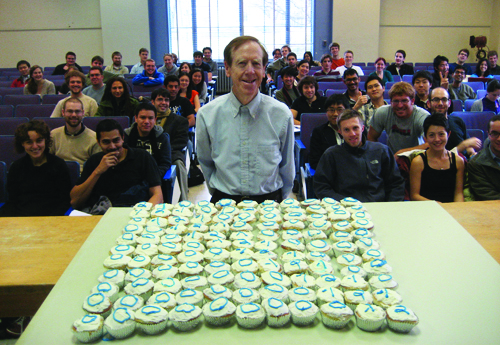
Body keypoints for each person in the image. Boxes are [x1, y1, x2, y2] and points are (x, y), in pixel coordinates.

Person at [196, 36, 295, 203]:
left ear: (264, 70)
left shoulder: (281, 114)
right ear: (227, 68)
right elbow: (206, 163)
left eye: (256, 64)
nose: (250, 71)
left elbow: (287, 168)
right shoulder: (207, 115)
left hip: (269, 204)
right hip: (224, 203)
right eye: (242, 63)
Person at [70, 119, 163, 213]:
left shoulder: (142, 157)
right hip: (101, 215)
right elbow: (75, 201)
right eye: (106, 142)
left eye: (116, 140)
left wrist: (142, 214)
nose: (112, 146)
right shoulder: (94, 161)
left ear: (122, 138)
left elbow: (157, 195)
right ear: (98, 142)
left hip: (135, 213)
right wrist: (97, 171)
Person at [313, 109, 404, 202]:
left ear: (362, 128)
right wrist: (345, 203)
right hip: (345, 208)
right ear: (340, 132)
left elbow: (396, 184)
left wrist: (390, 206)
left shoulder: (381, 151)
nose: (352, 134)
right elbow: (321, 187)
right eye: (346, 130)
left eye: (355, 128)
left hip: (378, 206)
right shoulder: (331, 155)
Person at [0, 120, 71, 217]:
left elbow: (65, 201)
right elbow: (13, 201)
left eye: (39, 141)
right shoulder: (16, 167)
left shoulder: (58, 165)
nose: (35, 146)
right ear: (22, 144)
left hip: (51, 219)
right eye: (29, 142)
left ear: (45, 140)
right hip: (21, 219)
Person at [409, 113, 465, 203]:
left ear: (448, 134)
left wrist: (457, 209)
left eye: (441, 134)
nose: (437, 139)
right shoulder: (418, 162)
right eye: (431, 135)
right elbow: (414, 195)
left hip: (451, 209)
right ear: (425, 138)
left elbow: (458, 193)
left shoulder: (458, 161)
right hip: (428, 208)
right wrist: (435, 205)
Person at [368, 82, 430, 155]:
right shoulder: (382, 112)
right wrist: (380, 155)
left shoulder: (422, 116)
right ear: (390, 102)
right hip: (392, 158)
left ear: (412, 101)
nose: (400, 105)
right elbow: (371, 137)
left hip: (416, 156)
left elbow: (430, 144)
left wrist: (401, 154)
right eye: (396, 101)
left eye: (404, 101)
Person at [153, 88, 189, 201]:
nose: (163, 103)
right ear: (152, 102)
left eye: (166, 100)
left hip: (171, 153)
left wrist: (163, 150)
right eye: (160, 100)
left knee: (178, 164)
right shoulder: (147, 118)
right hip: (148, 153)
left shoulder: (180, 121)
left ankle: (184, 201)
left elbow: (181, 142)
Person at [427, 87, 481, 157]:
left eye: (444, 99)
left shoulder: (457, 121)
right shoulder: (427, 125)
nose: (440, 103)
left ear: (449, 103)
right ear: (429, 103)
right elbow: (437, 156)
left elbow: (468, 145)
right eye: (436, 100)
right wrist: (463, 145)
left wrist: (472, 154)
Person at [50, 98, 101, 173]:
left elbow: (96, 169)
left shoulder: (94, 138)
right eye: (70, 111)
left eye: (77, 111)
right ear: (63, 112)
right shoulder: (53, 135)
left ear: (83, 113)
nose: (74, 115)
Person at [124, 102, 171, 178]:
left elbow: (165, 163)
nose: (146, 122)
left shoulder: (162, 137)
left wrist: (153, 178)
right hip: (129, 177)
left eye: (150, 118)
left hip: (154, 179)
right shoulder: (125, 136)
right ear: (136, 118)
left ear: (155, 119)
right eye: (143, 117)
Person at [309, 94, 350, 169]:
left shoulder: (355, 131)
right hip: (330, 174)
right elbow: (314, 161)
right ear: (326, 112)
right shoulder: (318, 132)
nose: (335, 114)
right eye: (331, 110)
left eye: (339, 109)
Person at [468, 115, 500, 200]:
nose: (499, 138)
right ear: (488, 135)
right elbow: (487, 195)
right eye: (495, 133)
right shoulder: (476, 163)